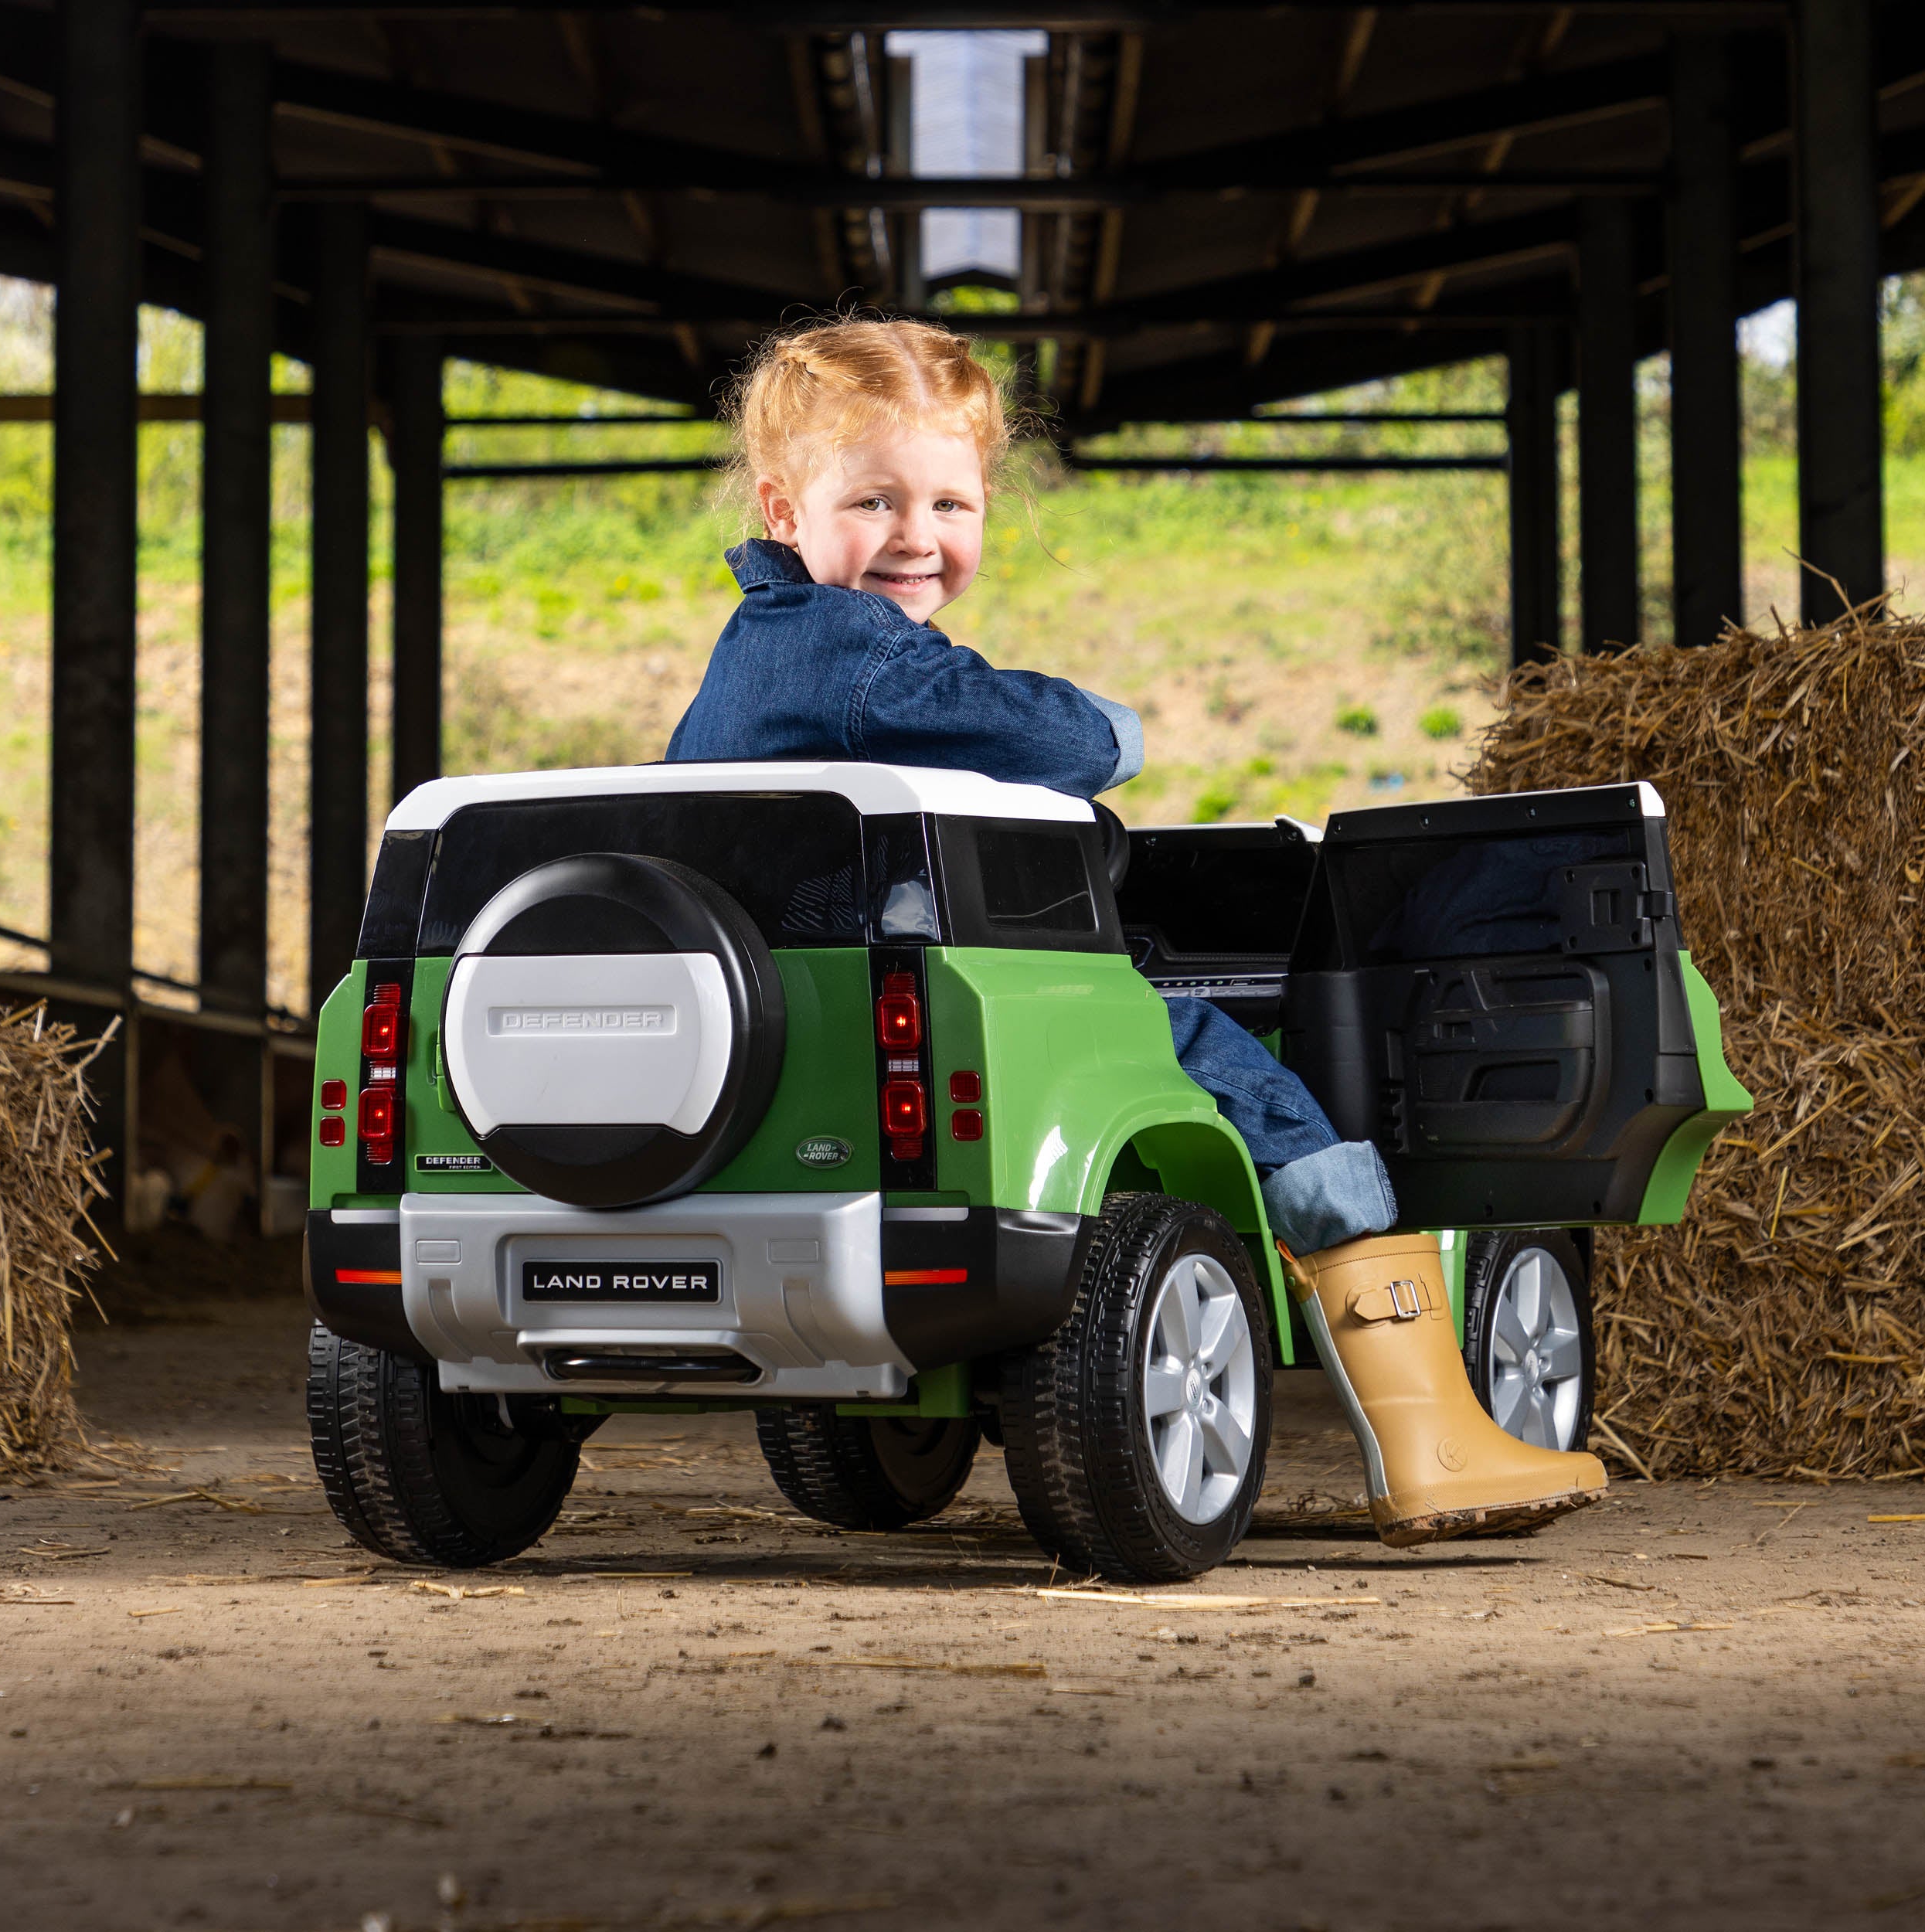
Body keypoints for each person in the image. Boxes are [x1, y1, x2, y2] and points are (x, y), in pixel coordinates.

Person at [667, 315, 1605, 1547]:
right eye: (876, 501)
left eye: (951, 503)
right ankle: (1429, 1435)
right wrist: (1117, 732)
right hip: (921, 994)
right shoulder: (851, 655)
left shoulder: (765, 656)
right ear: (784, 509)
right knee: (1237, 1071)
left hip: (773, 1016)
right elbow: (1056, 744)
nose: (917, 537)